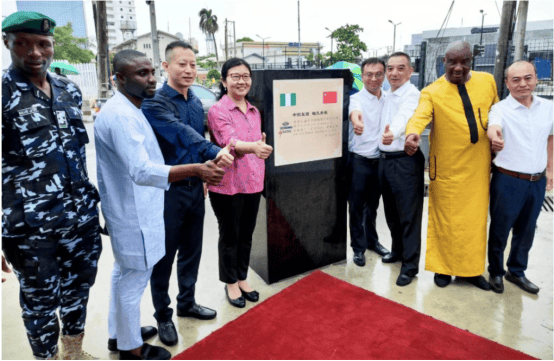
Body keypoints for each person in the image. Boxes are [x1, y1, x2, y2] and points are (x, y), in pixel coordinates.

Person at [95, 49, 232, 360]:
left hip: (169, 195)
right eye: (141, 74)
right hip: (142, 206)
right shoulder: (125, 115)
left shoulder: (139, 107)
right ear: (119, 79)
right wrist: (199, 169)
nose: (150, 78)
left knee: (130, 273)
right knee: (138, 277)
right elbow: (142, 169)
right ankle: (133, 348)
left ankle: (120, 334)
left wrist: (200, 175)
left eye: (149, 71)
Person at [2, 11, 102, 360]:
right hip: (31, 229)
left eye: (43, 44)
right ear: (7, 44)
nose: (35, 52)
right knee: (41, 305)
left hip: (80, 220)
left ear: (53, 46)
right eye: (23, 44)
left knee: (79, 292)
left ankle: (73, 353)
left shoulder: (68, 89)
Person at [141, 41, 230, 346]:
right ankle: (163, 315)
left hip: (196, 187)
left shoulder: (194, 101)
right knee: (164, 257)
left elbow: (199, 135)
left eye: (193, 64)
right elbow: (183, 134)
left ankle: (187, 302)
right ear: (165, 67)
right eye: (182, 64)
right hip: (167, 191)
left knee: (192, 251)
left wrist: (205, 174)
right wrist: (214, 152)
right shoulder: (154, 103)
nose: (189, 70)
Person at [404, 41, 498, 291]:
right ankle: (443, 269)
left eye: (464, 61)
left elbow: (497, 112)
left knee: (475, 222)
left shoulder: (487, 81)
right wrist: (413, 133)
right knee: (444, 219)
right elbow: (420, 115)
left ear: (471, 61)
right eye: (452, 62)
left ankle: (472, 271)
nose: (458, 67)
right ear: (443, 62)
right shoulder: (431, 91)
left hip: (478, 166)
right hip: (446, 166)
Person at [207, 58, 273, 308]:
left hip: (253, 181)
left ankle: (243, 277)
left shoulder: (254, 111)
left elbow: (257, 139)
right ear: (224, 81)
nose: (242, 81)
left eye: (246, 76)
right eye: (235, 76)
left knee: (246, 234)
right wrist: (254, 147)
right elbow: (229, 141)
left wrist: (259, 143)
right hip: (228, 184)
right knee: (230, 235)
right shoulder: (218, 111)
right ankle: (230, 282)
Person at [486, 60, 553, 294]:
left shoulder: (548, 107)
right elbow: (493, 127)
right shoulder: (500, 109)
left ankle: (516, 271)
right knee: (500, 228)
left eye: (527, 78)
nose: (522, 84)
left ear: (536, 78)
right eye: (515, 80)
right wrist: (495, 137)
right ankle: (495, 271)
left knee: (527, 230)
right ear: (507, 83)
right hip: (508, 180)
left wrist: (551, 170)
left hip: (537, 181)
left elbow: (551, 138)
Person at [378, 52, 424, 286]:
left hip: (405, 161)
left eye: (400, 68)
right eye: (390, 68)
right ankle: (397, 251)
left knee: (408, 216)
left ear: (410, 71)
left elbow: (405, 117)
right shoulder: (387, 94)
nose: (394, 73)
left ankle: (410, 265)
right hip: (385, 160)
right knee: (392, 212)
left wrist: (392, 133)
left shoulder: (413, 95)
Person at [348, 57, 390, 268]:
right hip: (360, 162)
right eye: (369, 75)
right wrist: (357, 123)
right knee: (356, 207)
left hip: (380, 161)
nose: (373, 79)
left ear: (384, 75)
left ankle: (372, 241)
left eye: (378, 74)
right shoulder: (357, 99)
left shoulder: (389, 99)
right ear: (362, 76)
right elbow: (355, 114)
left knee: (372, 207)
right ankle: (358, 248)